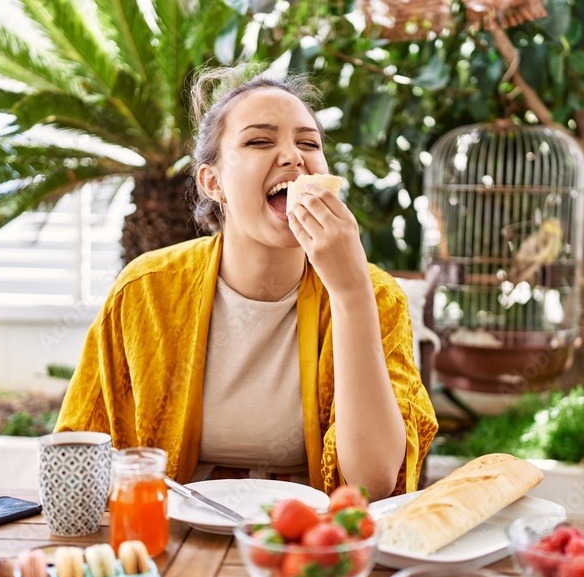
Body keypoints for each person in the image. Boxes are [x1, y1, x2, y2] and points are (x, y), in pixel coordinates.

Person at [55, 67, 437, 500]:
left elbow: (372, 484)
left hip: (310, 545)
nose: (294, 157)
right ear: (211, 182)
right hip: (169, 536)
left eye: (309, 143)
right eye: (259, 140)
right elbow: (78, 452)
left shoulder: (373, 294)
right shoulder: (145, 291)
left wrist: (351, 295)